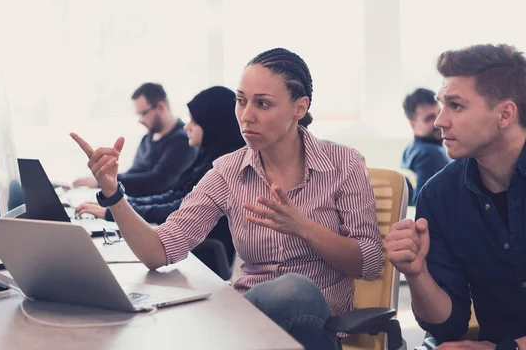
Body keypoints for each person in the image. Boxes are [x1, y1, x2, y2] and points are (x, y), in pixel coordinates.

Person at [71, 48, 383, 350]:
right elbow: (159, 251)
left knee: (295, 289)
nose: (246, 116)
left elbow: (369, 263)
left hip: (317, 328)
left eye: (262, 104)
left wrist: (303, 227)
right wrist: (113, 193)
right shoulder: (228, 171)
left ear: (299, 108)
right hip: (249, 322)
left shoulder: (344, 163)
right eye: (241, 101)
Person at [386, 44, 526, 349]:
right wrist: (417, 273)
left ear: (505, 113)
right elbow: (448, 325)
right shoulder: (438, 196)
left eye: (456, 106)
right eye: (441, 105)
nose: (439, 121)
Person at [76, 86, 245, 275]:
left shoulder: (227, 168)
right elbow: (174, 196)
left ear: (213, 124)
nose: (186, 126)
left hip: (200, 258)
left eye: (194, 122)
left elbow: (174, 205)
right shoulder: (206, 158)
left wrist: (114, 207)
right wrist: (118, 202)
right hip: (181, 251)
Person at [72, 82, 197, 197]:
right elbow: (134, 173)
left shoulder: (183, 140)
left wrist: (104, 181)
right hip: (138, 205)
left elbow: (157, 182)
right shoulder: (147, 138)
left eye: (143, 114)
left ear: (160, 107)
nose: (140, 120)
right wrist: (104, 176)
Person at [401, 88, 451, 205]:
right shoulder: (430, 154)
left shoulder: (410, 149)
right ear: (412, 124)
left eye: (439, 113)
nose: (438, 121)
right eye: (429, 118)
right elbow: (423, 202)